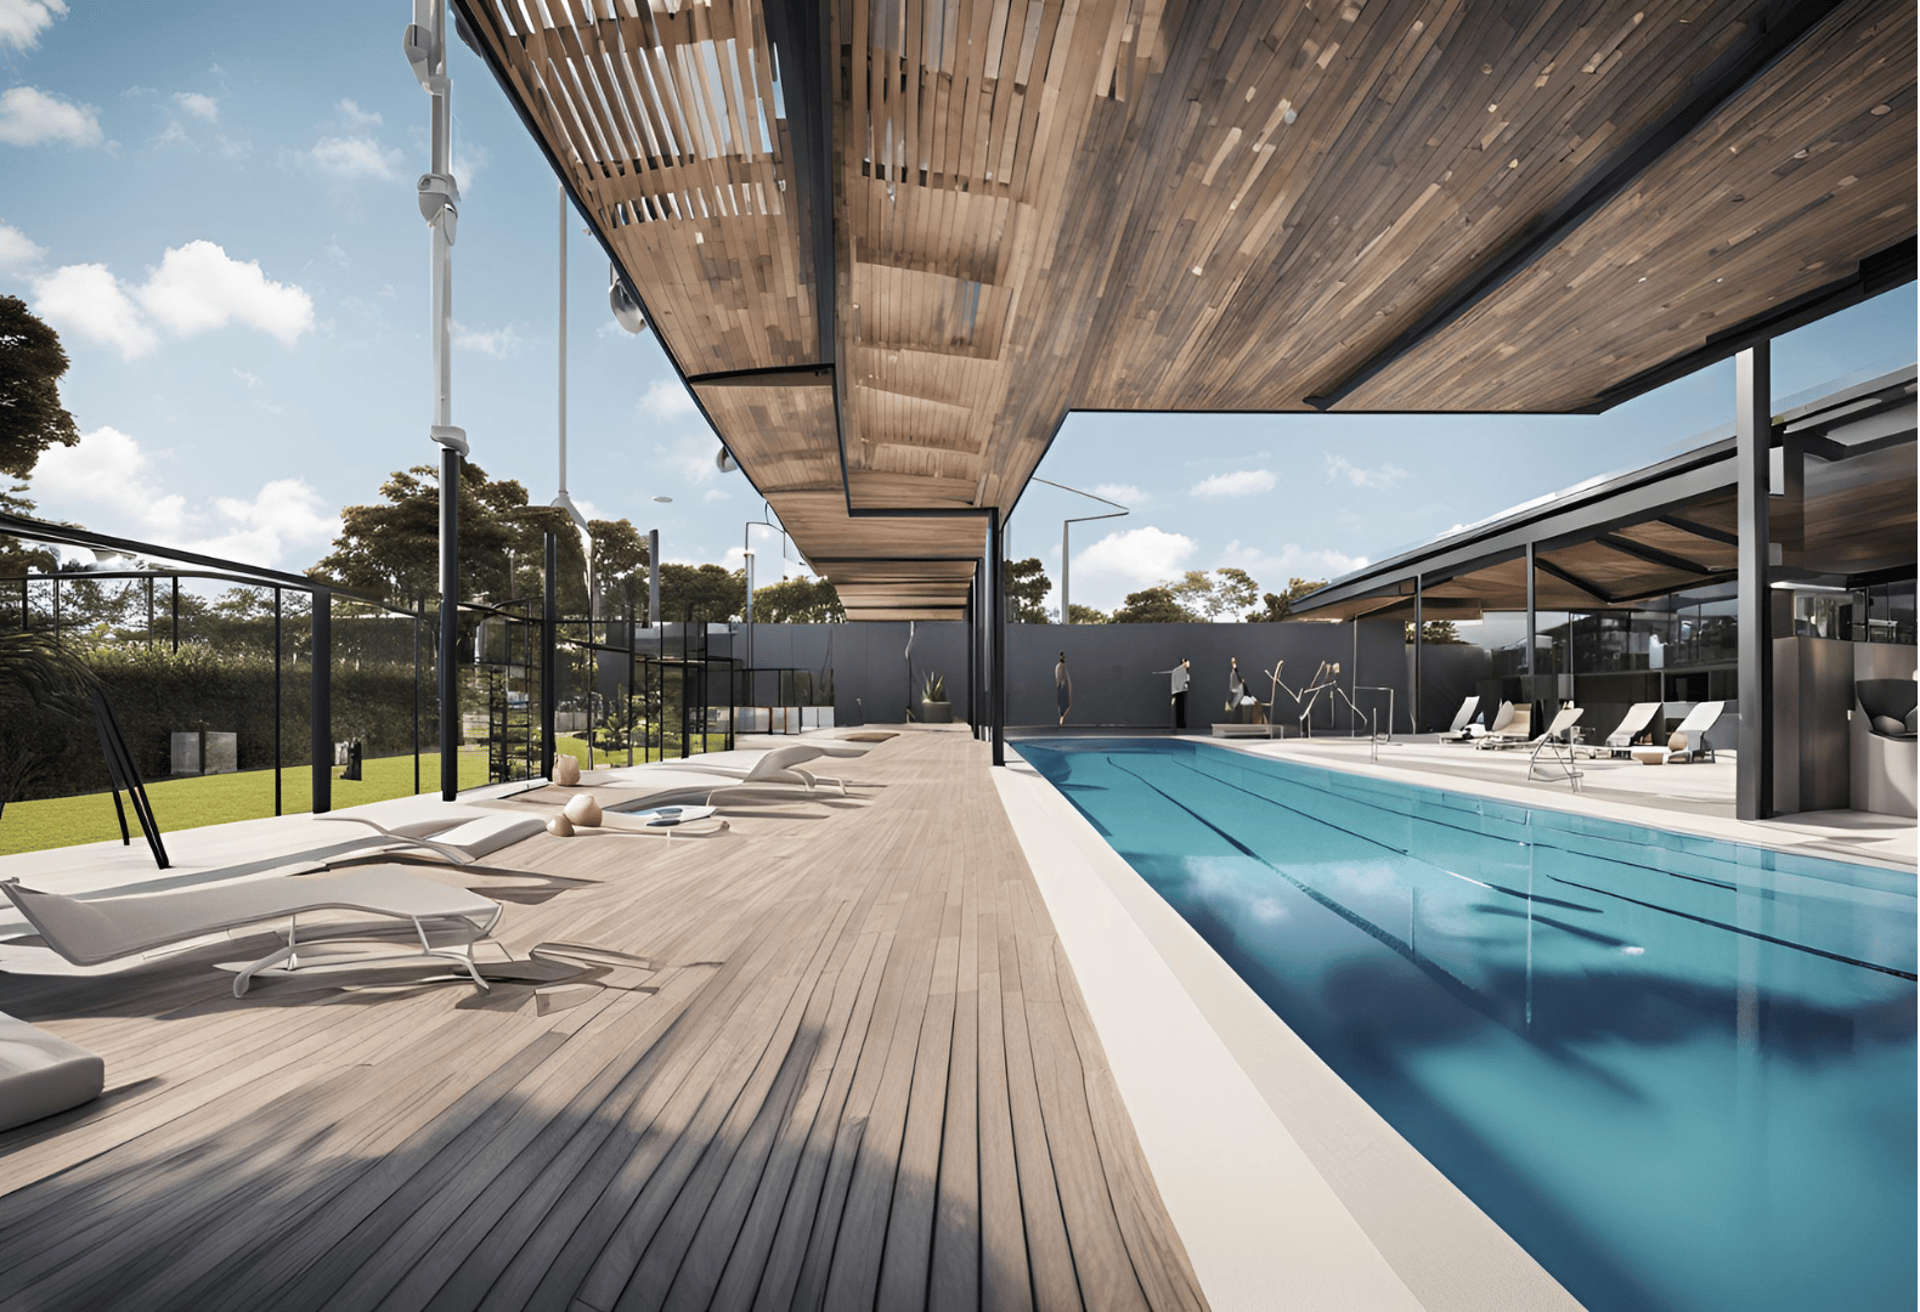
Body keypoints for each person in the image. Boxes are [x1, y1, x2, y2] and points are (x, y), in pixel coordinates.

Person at [1169, 656, 1190, 729]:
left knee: (1179, 709)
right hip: (1180, 692)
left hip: (1177, 691)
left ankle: (1180, 724)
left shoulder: (1176, 670)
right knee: (1180, 709)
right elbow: (1184, 682)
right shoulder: (1181, 670)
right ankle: (1181, 724)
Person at [1055, 651, 1073, 726]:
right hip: (1062, 689)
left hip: (1062, 688)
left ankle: (1062, 722)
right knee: (1064, 709)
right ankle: (1061, 723)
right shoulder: (1060, 667)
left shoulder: (1060, 667)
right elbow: (1061, 679)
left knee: (1065, 709)